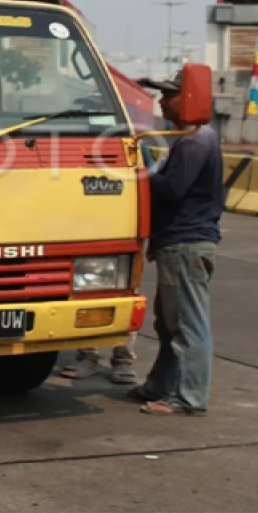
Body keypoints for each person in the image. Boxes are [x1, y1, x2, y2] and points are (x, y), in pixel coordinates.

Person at [129, 70, 224, 416]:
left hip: (187, 243)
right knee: (169, 323)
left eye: (169, 95)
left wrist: (143, 167)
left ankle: (188, 398)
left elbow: (172, 190)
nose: (162, 101)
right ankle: (159, 386)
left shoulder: (195, 140)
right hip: (178, 241)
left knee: (186, 324)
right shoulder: (188, 137)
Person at [58, 140, 158, 385]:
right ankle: (88, 356)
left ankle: (123, 360)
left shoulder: (135, 145)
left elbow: (148, 185)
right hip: (84, 228)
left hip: (120, 229)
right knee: (87, 296)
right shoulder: (71, 145)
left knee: (124, 294)